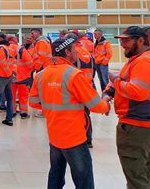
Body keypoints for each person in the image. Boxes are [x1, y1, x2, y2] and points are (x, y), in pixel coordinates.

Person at [29, 36, 110, 189]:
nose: (77, 53)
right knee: (83, 179)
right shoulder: (74, 75)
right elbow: (95, 105)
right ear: (66, 52)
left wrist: (52, 108)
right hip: (74, 137)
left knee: (56, 176)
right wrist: (106, 104)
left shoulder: (41, 75)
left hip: (54, 134)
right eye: (74, 50)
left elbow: (33, 102)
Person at [103, 26, 150, 189]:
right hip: (143, 126)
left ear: (141, 41)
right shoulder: (138, 59)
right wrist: (109, 92)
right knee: (143, 174)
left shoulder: (145, 61)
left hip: (137, 127)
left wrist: (116, 79)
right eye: (121, 40)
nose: (123, 44)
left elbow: (137, 91)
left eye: (127, 40)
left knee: (136, 178)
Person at [72, 34, 95, 148]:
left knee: (77, 115)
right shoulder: (87, 52)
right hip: (88, 86)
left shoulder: (73, 52)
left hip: (78, 87)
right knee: (86, 114)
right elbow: (93, 70)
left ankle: (79, 139)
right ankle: (88, 139)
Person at [10, 36, 33, 119]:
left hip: (10, 77)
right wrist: (28, 71)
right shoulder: (21, 49)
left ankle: (12, 112)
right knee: (23, 96)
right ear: (15, 40)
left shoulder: (4, 49)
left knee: (11, 96)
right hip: (23, 77)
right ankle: (23, 113)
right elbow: (30, 63)